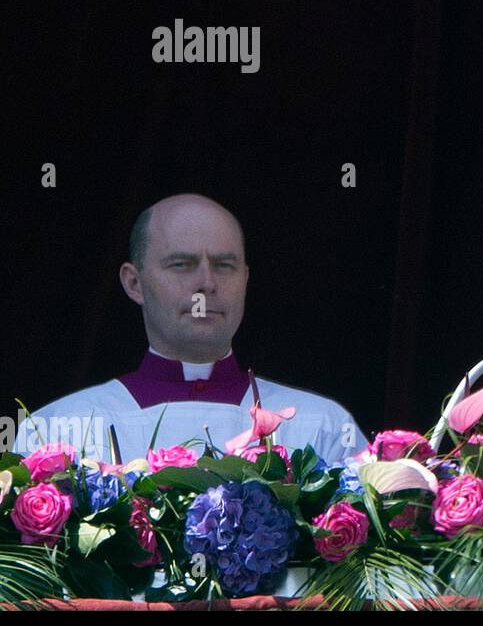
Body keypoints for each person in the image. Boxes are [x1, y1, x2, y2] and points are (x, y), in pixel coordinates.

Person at [16, 194, 362, 466]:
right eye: (182, 265)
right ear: (134, 283)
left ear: (245, 279)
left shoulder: (321, 425)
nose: (207, 283)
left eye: (225, 265)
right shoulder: (56, 431)